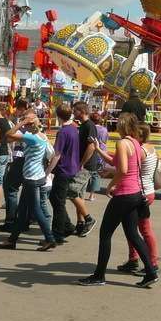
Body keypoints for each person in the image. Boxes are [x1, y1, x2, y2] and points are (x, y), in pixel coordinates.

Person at [77, 113, 158, 287]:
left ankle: (99, 275)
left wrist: (110, 185)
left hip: (124, 195)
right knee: (133, 234)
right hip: (135, 194)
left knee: (105, 234)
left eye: (118, 125)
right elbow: (115, 161)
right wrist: (99, 149)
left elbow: (121, 169)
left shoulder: (122, 143)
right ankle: (151, 271)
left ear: (123, 126)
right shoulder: (135, 143)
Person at [99, 123, 159, 275]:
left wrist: (111, 182)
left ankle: (151, 262)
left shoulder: (139, 149)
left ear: (140, 135)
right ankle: (138, 261)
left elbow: (124, 169)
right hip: (145, 190)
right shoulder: (150, 149)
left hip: (137, 192)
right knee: (133, 230)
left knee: (142, 230)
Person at [0, 111, 57, 251]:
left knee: (36, 208)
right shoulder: (42, 136)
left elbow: (8, 134)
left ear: (29, 125)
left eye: (25, 124)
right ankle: (12, 240)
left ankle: (50, 238)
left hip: (31, 178)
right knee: (22, 211)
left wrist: (21, 122)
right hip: (37, 175)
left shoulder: (32, 137)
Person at [48, 103, 83, 244]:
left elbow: (57, 154)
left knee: (58, 201)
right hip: (71, 168)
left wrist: (48, 171)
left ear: (58, 116)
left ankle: (58, 233)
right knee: (56, 199)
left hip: (64, 169)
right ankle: (67, 226)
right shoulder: (74, 129)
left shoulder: (63, 132)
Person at [0, 99, 29, 232]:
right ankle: (25, 219)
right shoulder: (38, 132)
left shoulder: (24, 129)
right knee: (28, 193)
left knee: (10, 188)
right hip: (30, 162)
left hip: (20, 159)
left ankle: (11, 220)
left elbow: (8, 136)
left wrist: (21, 123)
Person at [69, 101, 98, 237]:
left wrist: (81, 163)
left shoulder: (89, 126)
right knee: (79, 194)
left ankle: (88, 219)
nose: (74, 113)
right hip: (82, 164)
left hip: (86, 165)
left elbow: (91, 146)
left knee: (71, 190)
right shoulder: (84, 126)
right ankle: (81, 224)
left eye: (75, 111)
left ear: (81, 111)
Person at [86, 112, 108, 201]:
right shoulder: (104, 130)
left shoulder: (90, 128)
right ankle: (92, 195)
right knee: (96, 174)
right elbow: (105, 140)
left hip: (90, 151)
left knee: (87, 172)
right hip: (101, 152)